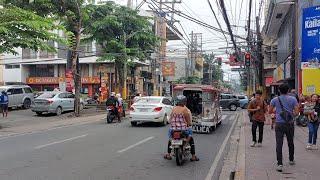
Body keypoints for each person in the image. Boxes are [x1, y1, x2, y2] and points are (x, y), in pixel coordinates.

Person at [269, 84, 299, 172]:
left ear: (279, 90)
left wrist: (277, 111)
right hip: (289, 123)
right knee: (290, 142)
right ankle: (291, 159)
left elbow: (270, 111)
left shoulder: (274, 99)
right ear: (288, 90)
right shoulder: (293, 99)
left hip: (279, 123)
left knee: (279, 143)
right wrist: (290, 115)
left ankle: (280, 164)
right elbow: (297, 112)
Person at [164, 95, 199, 162]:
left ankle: (168, 154)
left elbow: (170, 120)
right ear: (184, 102)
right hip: (183, 130)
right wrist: (189, 124)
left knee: (170, 139)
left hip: (173, 130)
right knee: (191, 137)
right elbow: (188, 122)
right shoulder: (185, 110)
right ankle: (193, 156)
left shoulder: (173, 109)